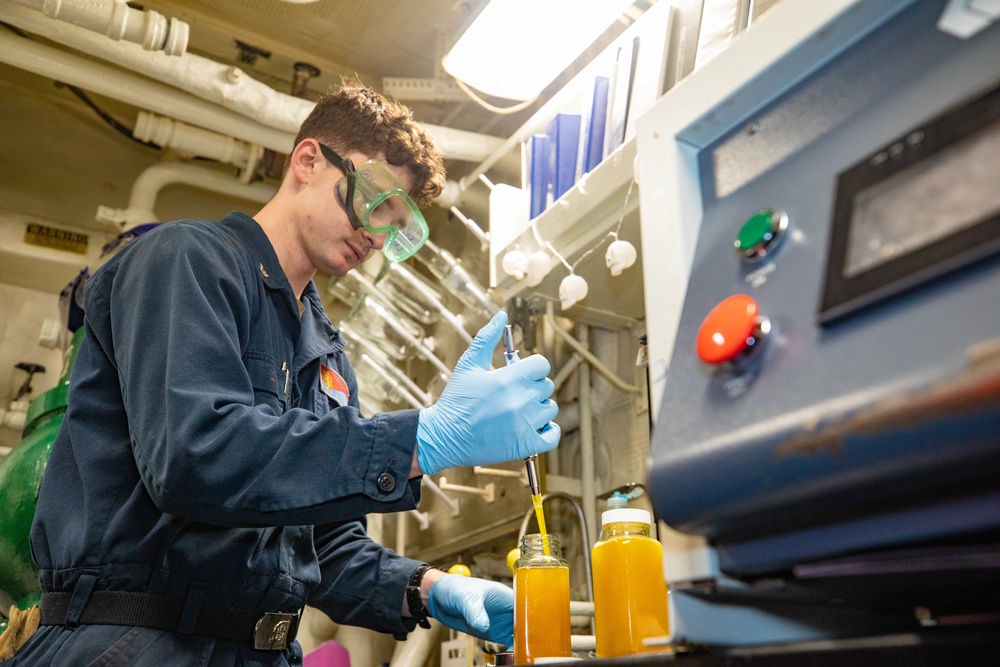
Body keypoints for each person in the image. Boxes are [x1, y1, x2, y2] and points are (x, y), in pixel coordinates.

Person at [5, 78, 560, 665]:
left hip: (258, 650)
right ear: (308, 160)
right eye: (374, 204)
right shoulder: (188, 262)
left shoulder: (327, 359)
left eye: (396, 228)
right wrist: (422, 438)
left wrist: (431, 590)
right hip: (135, 641)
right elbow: (195, 455)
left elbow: (326, 548)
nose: (375, 236)